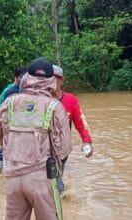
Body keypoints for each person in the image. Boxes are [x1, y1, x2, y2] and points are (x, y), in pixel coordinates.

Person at [0, 57, 72, 220]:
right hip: (42, 178)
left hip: (13, 178)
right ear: (51, 80)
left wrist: (13, 149)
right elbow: (63, 148)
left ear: (27, 77)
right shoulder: (54, 106)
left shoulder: (10, 103)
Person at [53, 64, 94, 193]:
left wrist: (87, 142)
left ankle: (60, 204)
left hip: (62, 148)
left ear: (62, 80)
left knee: (56, 179)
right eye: (50, 78)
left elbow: (81, 122)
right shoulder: (39, 100)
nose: (54, 82)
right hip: (41, 148)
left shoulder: (71, 100)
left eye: (57, 78)